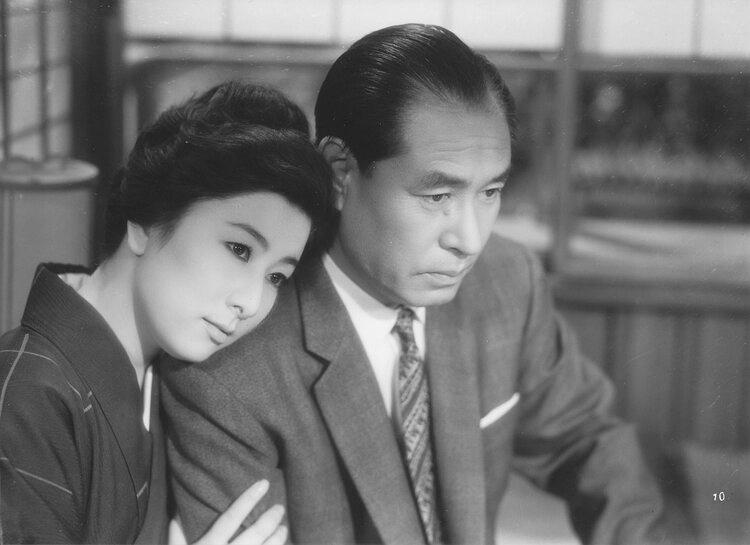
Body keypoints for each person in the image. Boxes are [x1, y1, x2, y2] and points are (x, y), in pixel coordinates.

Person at [161, 25, 668, 545]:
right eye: (437, 197)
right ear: (340, 169)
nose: (470, 240)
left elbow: (587, 438)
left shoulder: (506, 280)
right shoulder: (230, 366)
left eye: (490, 191)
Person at [0, 81, 334, 544]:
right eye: (239, 249)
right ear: (145, 221)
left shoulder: (162, 373)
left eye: (277, 276)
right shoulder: (26, 397)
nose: (251, 302)